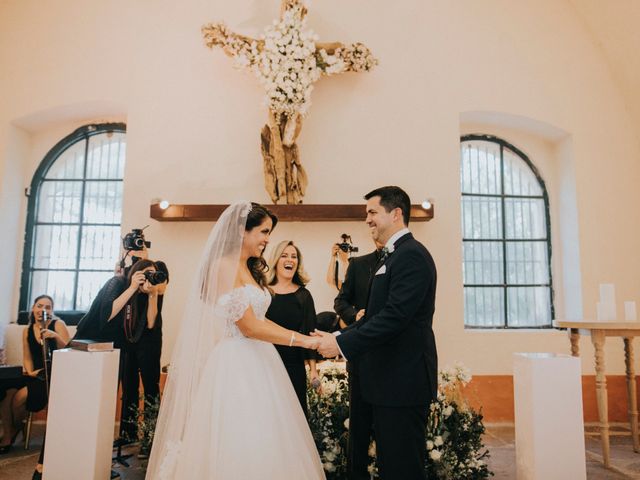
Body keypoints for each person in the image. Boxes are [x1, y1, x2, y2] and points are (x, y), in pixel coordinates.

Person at [146, 201, 325, 480]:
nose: (267, 239)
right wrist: (302, 342)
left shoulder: (250, 268)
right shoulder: (222, 266)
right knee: (239, 435)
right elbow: (250, 327)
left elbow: (261, 320)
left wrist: (305, 337)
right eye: (264, 231)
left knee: (268, 436)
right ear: (243, 231)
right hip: (237, 364)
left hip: (263, 361)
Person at [315, 186, 438, 480]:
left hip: (402, 383)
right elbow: (373, 316)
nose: (367, 219)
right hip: (386, 383)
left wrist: (341, 343)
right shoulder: (391, 257)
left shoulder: (411, 256)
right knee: (390, 466)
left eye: (372, 212)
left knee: (402, 469)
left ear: (396, 214)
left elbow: (394, 318)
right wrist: (333, 338)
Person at [0, 295, 70, 478]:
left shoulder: (58, 325)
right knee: (8, 391)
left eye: (47, 306)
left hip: (54, 374)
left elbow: (71, 349)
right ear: (33, 308)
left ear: (52, 310)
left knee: (20, 398)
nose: (43, 309)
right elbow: (28, 357)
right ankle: (9, 435)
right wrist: (30, 371)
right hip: (36, 373)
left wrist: (54, 336)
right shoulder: (28, 330)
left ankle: (15, 428)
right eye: (39, 306)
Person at [333, 239, 383, 480]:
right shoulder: (358, 264)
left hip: (390, 360)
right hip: (361, 358)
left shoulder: (401, 262)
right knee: (359, 429)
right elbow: (340, 301)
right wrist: (355, 315)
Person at [266, 240, 321, 416]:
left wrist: (313, 371)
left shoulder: (303, 295)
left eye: (294, 256)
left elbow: (310, 332)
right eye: (284, 255)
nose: (290, 259)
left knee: (293, 415)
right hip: (265, 364)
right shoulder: (264, 293)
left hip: (293, 366)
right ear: (276, 260)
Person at [119, 259, 164, 447]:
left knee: (150, 388)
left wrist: (152, 294)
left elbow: (151, 323)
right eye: (146, 273)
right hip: (129, 343)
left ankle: (150, 436)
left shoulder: (157, 290)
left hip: (150, 343)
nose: (150, 276)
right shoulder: (127, 289)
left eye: (153, 273)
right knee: (129, 387)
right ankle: (127, 434)